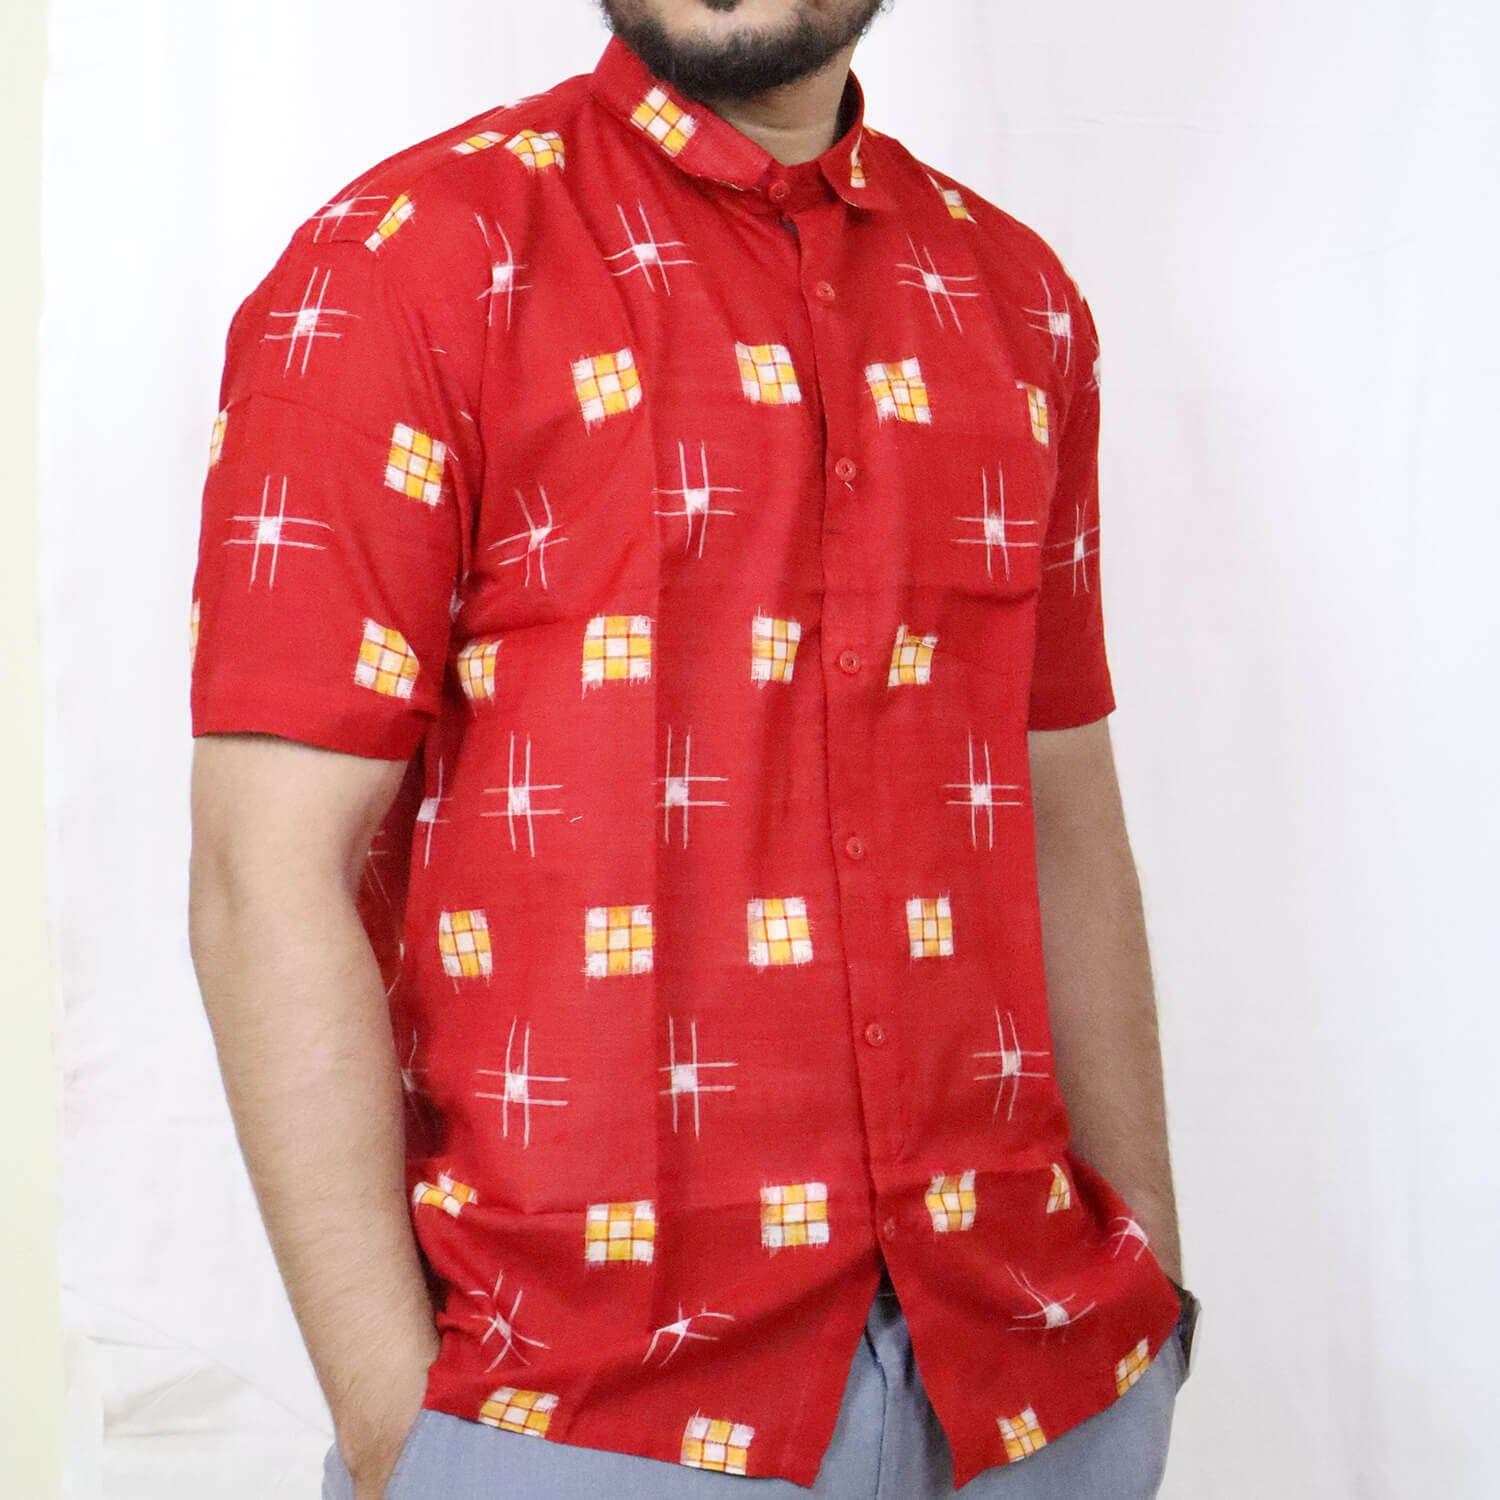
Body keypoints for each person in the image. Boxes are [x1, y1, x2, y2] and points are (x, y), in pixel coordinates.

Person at [187, 2, 1201, 1496]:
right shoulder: (405, 263)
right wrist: (401, 1435)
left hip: (1038, 1389)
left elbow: (1059, 809)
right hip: (578, 1420)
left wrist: (1149, 1281)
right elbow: (261, 871)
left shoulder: (1014, 297)